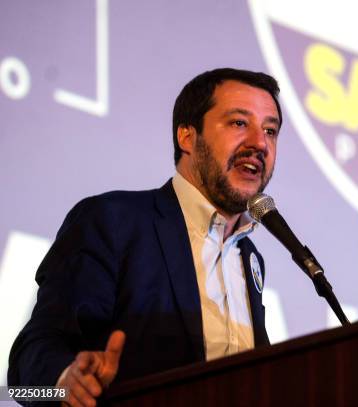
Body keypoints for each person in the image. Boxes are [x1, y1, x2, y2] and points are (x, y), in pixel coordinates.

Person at [8, 68, 282, 406]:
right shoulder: (113, 220)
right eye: (239, 123)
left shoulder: (250, 257)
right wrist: (63, 383)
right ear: (186, 136)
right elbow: (22, 374)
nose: (260, 143)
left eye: (270, 130)